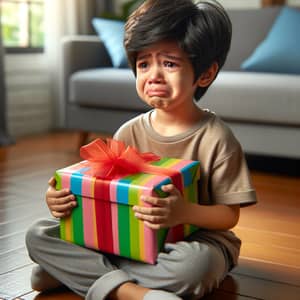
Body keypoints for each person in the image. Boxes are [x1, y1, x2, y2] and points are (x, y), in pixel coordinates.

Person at [26, 1, 257, 299]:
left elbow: (229, 216)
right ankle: (130, 292)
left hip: (194, 241)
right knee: (38, 234)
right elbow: (105, 190)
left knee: (195, 266)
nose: (154, 75)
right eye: (144, 63)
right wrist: (62, 198)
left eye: (170, 63)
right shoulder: (129, 131)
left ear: (205, 74)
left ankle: (78, 273)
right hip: (127, 237)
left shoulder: (217, 139)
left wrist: (183, 212)